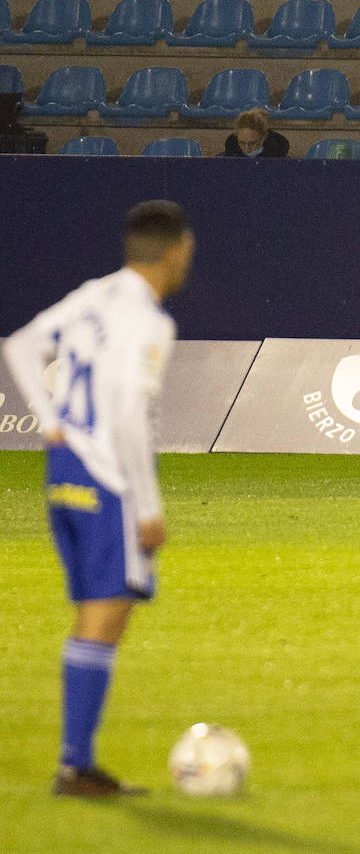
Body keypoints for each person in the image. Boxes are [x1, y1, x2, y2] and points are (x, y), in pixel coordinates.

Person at [2, 200, 193, 797]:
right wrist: (149, 507)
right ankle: (75, 764)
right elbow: (131, 416)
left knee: (97, 609)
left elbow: (19, 347)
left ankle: (76, 763)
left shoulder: (92, 296)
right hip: (108, 477)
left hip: (65, 468)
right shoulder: (149, 323)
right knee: (108, 611)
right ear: (174, 253)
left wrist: (51, 421)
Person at [221, 109, 289, 158]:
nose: (247, 150)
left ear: (263, 137)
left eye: (252, 143)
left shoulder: (280, 157)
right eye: (241, 143)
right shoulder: (228, 155)